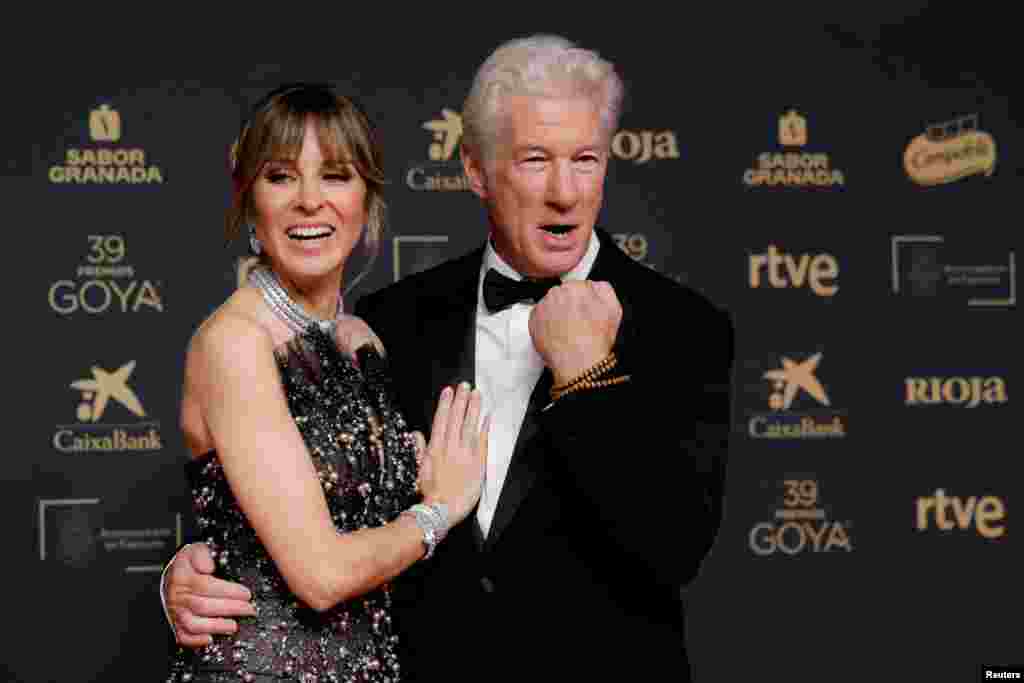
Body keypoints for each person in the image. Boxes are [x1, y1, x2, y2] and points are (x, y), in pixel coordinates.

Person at [165, 36, 734, 682]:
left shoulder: (683, 326)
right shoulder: (390, 319)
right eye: (535, 160)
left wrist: (587, 378)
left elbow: (674, 548)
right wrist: (195, 571)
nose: (565, 193)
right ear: (475, 170)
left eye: (585, 160)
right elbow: (312, 510)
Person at [165, 82, 489, 683]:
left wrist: (418, 481)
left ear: (367, 198)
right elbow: (320, 576)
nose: (310, 201)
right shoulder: (234, 344)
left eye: (335, 175)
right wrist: (439, 510)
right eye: (281, 177)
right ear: (250, 200)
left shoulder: (365, 339)